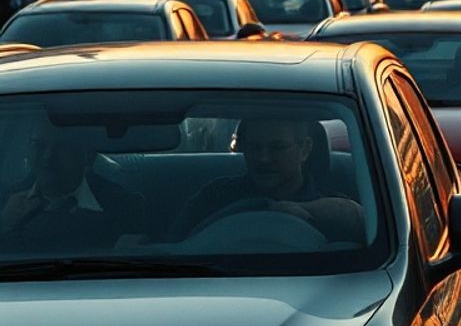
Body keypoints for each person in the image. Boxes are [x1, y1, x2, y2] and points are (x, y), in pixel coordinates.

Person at [171, 118, 364, 243]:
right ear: (243, 148)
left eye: (277, 147)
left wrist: (313, 211)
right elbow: (172, 248)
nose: (264, 158)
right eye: (254, 147)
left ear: (304, 149)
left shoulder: (339, 215)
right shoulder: (213, 199)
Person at [0, 114, 145, 251]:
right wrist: (3, 224)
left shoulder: (126, 206)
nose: (48, 155)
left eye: (62, 146)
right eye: (39, 145)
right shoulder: (4, 202)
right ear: (27, 150)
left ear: (89, 156)